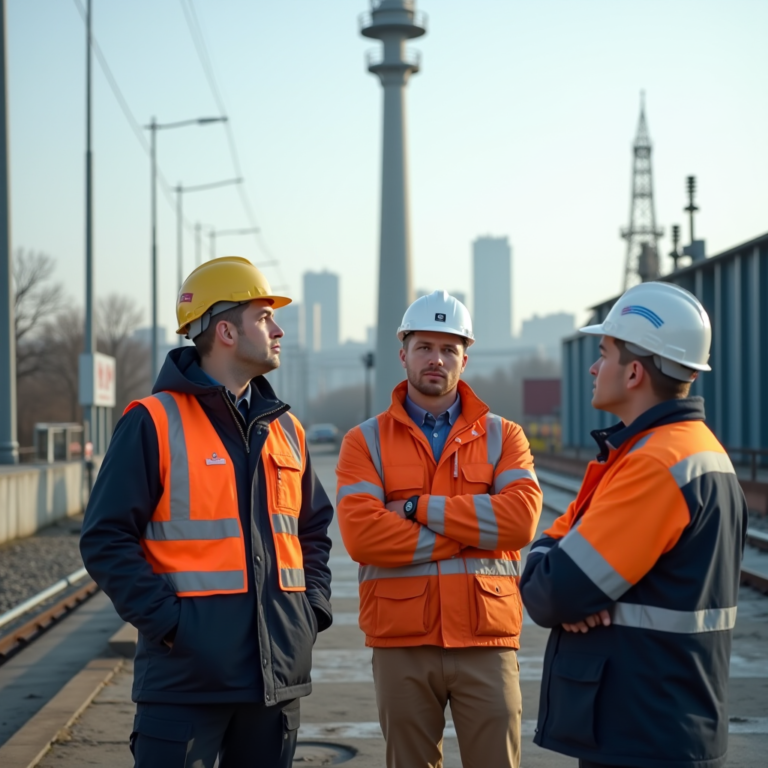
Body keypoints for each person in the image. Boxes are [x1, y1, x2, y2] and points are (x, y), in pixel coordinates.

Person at [80, 257, 334, 768]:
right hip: (185, 682)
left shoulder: (286, 430)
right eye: (264, 317)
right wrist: (174, 626)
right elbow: (105, 539)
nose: (278, 329)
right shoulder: (152, 423)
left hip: (274, 680)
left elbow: (313, 532)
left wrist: (311, 612)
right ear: (225, 330)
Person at [520, 281, 748, 768]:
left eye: (604, 353)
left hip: (639, 731)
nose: (594, 367)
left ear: (635, 373)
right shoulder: (699, 449)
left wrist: (545, 557)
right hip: (673, 720)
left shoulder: (654, 465)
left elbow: (551, 592)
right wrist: (577, 587)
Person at [335, 290, 543, 768]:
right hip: (402, 641)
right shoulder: (364, 441)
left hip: (485, 639)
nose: (437, 359)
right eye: (425, 346)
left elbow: (519, 521)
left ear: (465, 359)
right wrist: (472, 529)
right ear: (402, 351)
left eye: (449, 349)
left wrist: (414, 507)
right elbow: (364, 537)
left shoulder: (503, 436)